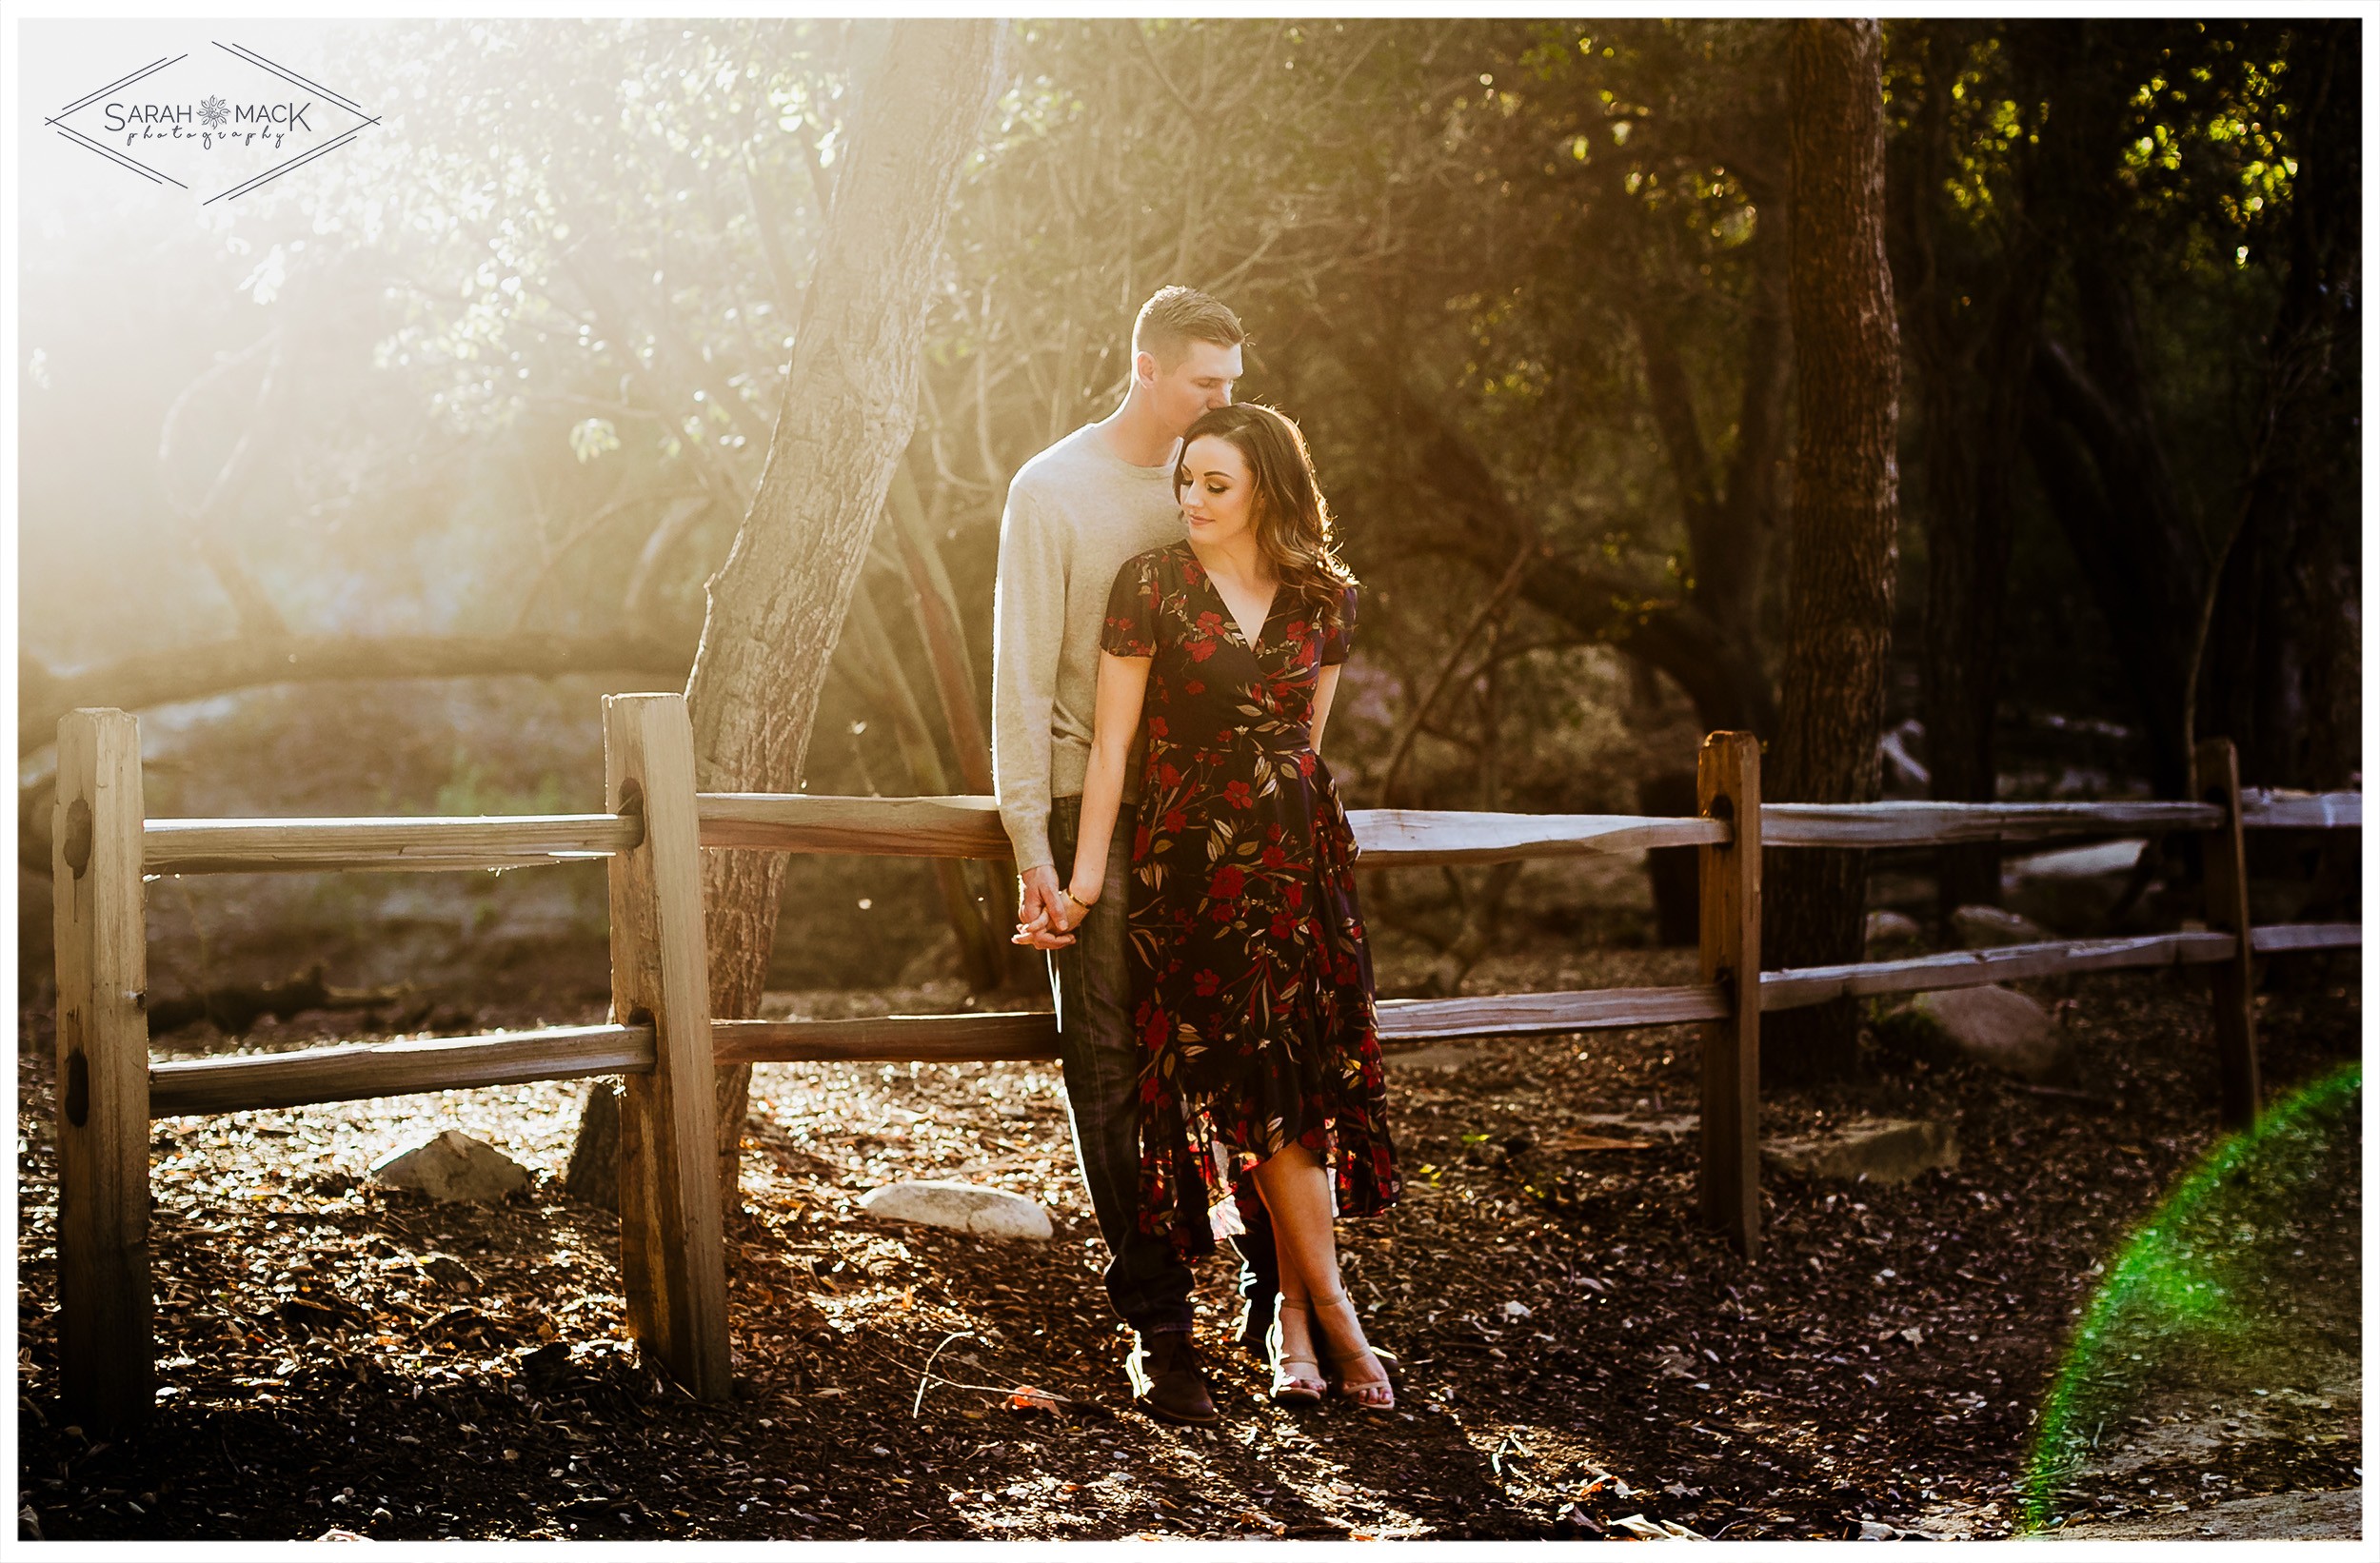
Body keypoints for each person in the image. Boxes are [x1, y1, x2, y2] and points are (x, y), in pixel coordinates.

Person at [1038, 402, 1400, 1411]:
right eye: (1184, 481)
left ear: (1267, 491)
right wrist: (1088, 881)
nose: (1190, 499)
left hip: (1295, 872)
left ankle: (1292, 1317)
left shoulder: (1327, 597)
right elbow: (1111, 746)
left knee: (1296, 1091)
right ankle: (1335, 1317)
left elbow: (1302, 746)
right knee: (1252, 1083)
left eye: (1214, 484)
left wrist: (1310, 866)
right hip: (1189, 870)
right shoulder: (1149, 585)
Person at [990, 286, 1279, 1426]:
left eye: (1231, 381)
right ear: (1145, 366)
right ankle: (1160, 1325)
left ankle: (1273, 1285)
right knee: (1107, 1065)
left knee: (1234, 1042)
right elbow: (1020, 672)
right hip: (1082, 805)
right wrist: (1031, 842)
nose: (1225, 400)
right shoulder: (1052, 490)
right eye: (1206, 380)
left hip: (1208, 813)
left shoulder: (1220, 483)